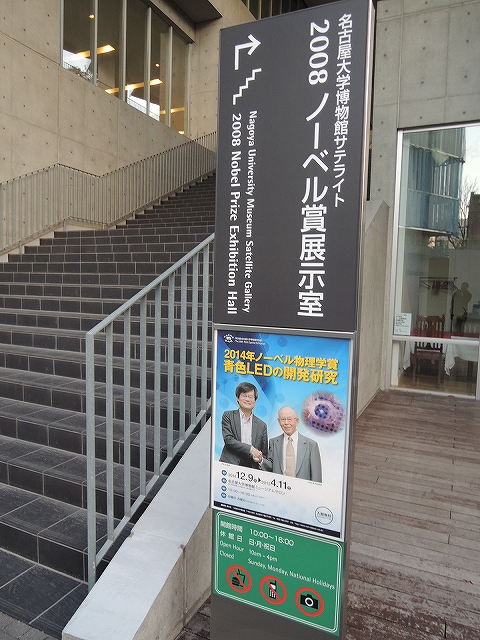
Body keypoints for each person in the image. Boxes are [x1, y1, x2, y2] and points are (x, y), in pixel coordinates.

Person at [262, 406, 322, 482]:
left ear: (297, 421)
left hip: (302, 488)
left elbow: (316, 478)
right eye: (283, 419)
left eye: (289, 419)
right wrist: (260, 460)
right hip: (280, 487)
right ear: (279, 421)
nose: (286, 423)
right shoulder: (273, 442)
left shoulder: (311, 445)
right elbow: (270, 467)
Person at [219, 382, 268, 468]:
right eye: (244, 396)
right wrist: (251, 449)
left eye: (250, 397)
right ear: (237, 398)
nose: (247, 399)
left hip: (251, 468)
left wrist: (260, 459)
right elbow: (228, 440)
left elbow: (264, 454)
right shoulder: (228, 416)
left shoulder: (262, 425)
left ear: (255, 401)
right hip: (229, 465)